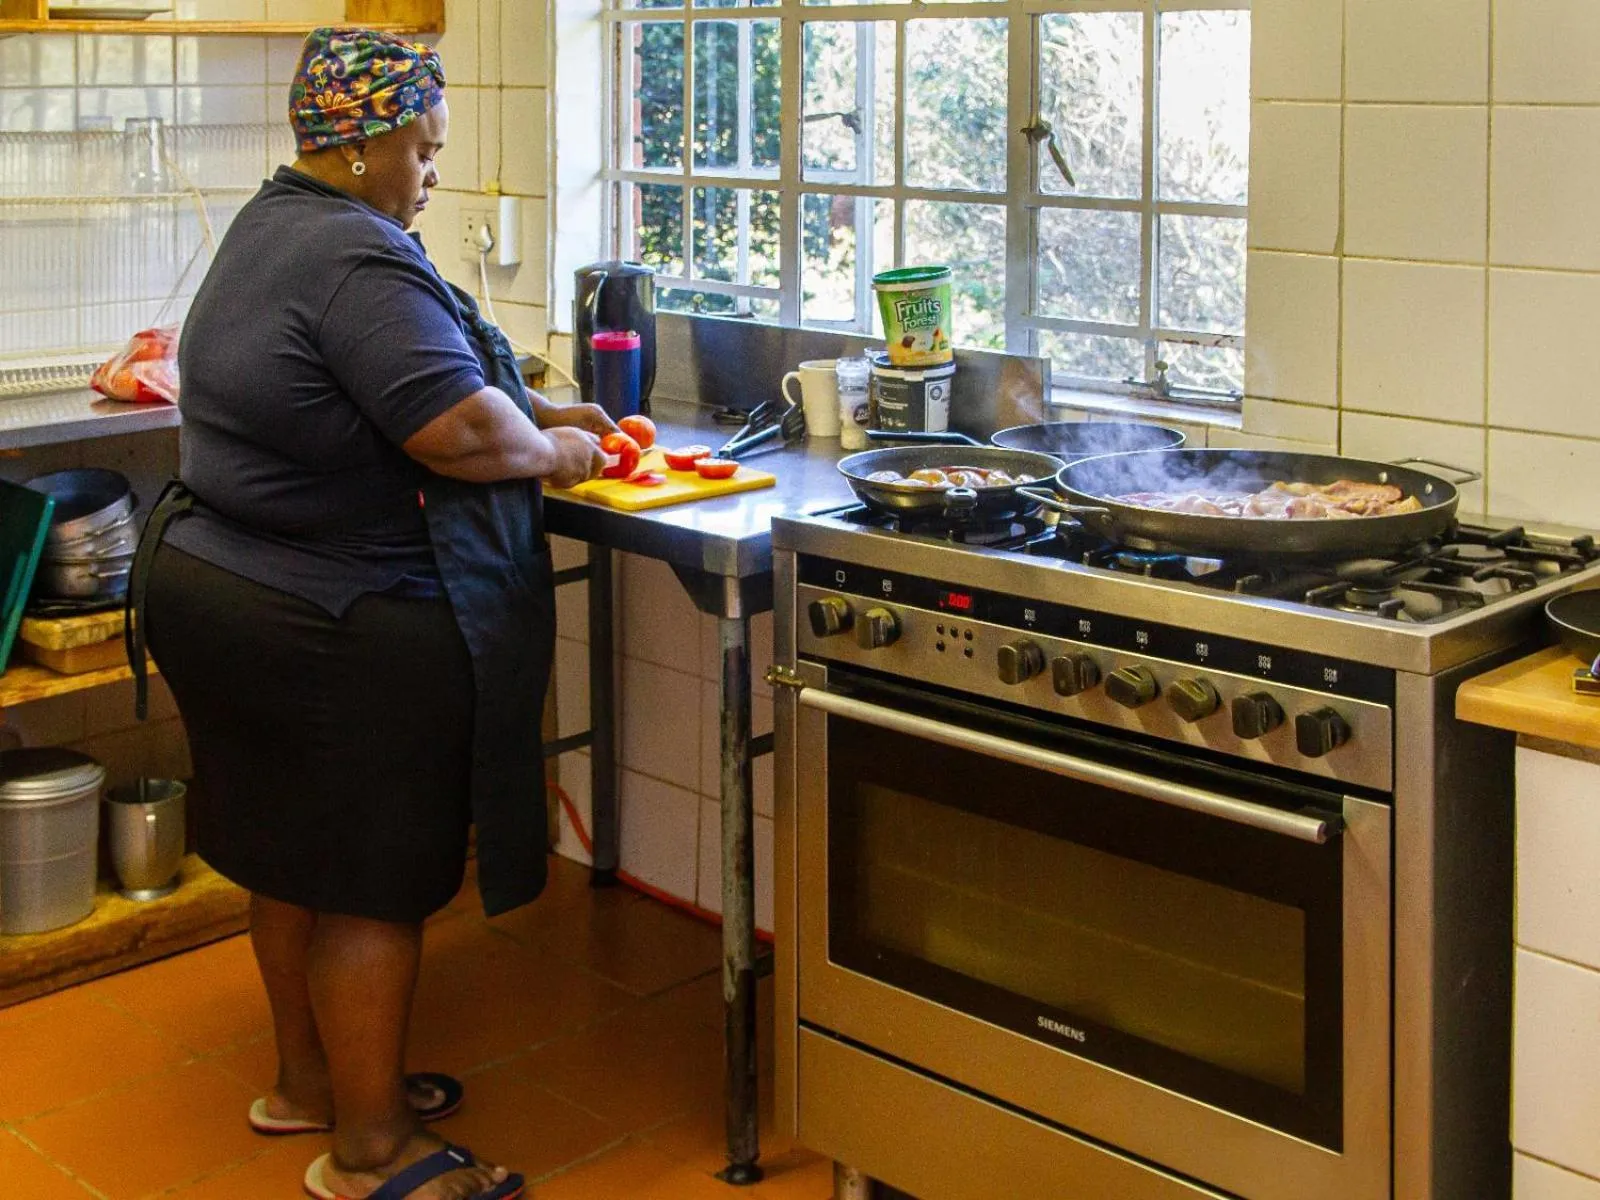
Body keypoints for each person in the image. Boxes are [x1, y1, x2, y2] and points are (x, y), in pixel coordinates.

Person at [128, 27, 614, 1200]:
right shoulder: (355, 257)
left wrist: (534, 408)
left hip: (218, 588)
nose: (433, 172)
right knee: (371, 880)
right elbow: (454, 431)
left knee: (288, 858)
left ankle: (312, 1087)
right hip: (329, 619)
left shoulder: (273, 224)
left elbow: (409, 382)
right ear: (368, 144)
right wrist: (554, 445)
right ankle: (372, 1152)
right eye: (427, 150)